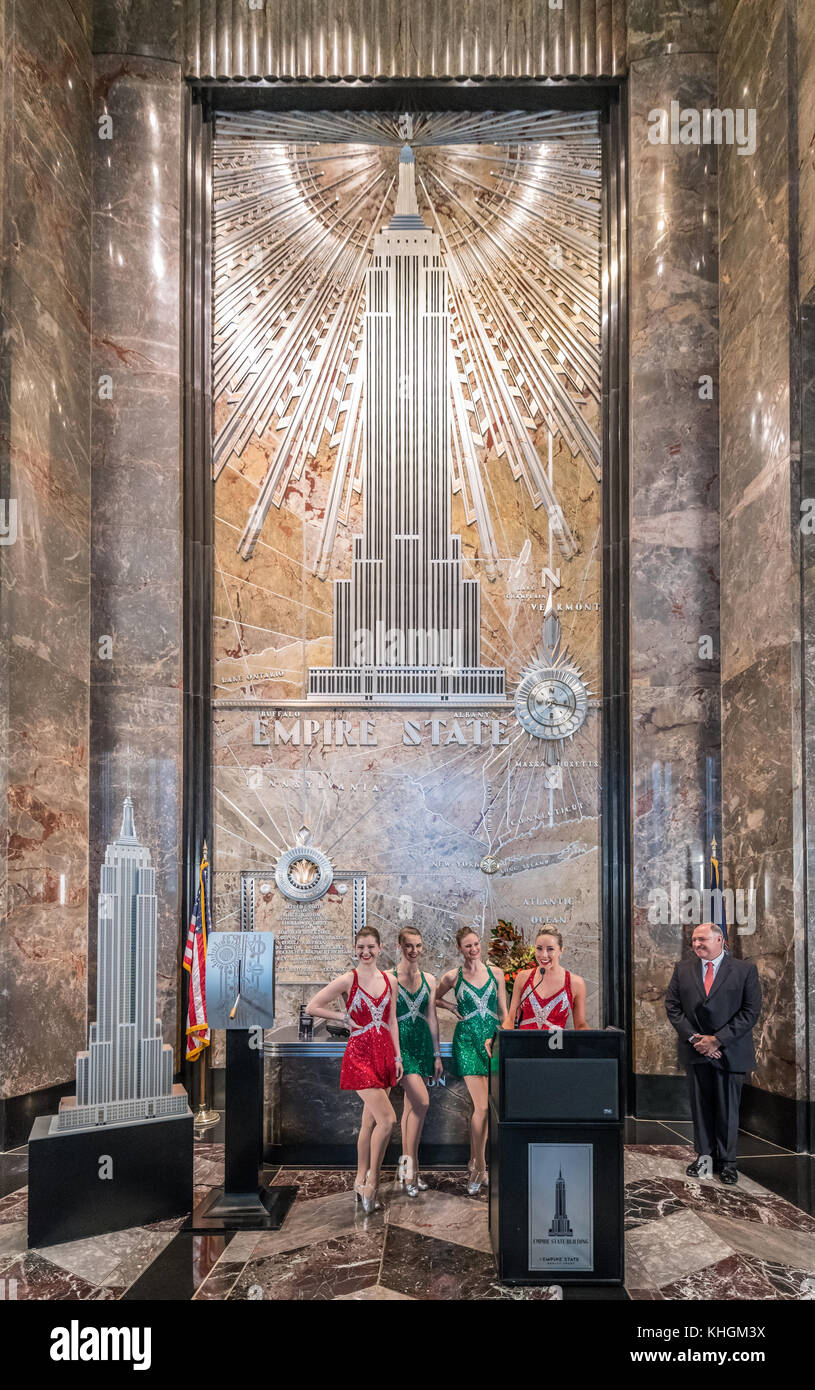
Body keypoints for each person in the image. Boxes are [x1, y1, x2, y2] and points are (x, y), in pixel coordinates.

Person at [306, 927, 403, 1213]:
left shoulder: (391, 980)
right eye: (361, 947)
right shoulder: (349, 978)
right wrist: (343, 1017)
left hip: (384, 1053)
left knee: (370, 1123)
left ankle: (359, 1178)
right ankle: (372, 1182)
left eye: (371, 947)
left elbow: (393, 1020)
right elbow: (313, 1006)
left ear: (380, 947)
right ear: (355, 948)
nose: (366, 952)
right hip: (360, 1054)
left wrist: (398, 1058)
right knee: (388, 1120)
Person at [665, 921, 761, 1185]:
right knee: (701, 1107)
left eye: (702, 940)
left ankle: (728, 1163)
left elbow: (750, 1012)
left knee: (728, 1109)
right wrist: (698, 1039)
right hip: (696, 1051)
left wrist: (717, 1040)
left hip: (730, 1052)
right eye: (694, 940)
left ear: (720, 941)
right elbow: (672, 1007)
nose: (696, 944)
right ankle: (704, 1156)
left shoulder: (745, 970)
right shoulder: (682, 969)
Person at [436, 926, 507, 1195]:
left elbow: (503, 1012)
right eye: (468, 946)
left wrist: (505, 1040)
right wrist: (452, 1007)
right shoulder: (453, 976)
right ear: (460, 949)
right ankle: (479, 1166)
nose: (474, 949)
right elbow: (433, 998)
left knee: (487, 1108)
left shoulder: (496, 973)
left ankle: (477, 1163)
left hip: (491, 1042)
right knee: (482, 1108)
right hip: (465, 1041)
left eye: (476, 944)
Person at [385, 927, 444, 1197]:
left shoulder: (430, 979)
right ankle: (411, 1169)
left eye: (418, 946)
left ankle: (408, 1168)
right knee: (422, 1102)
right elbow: (386, 1017)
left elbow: (432, 1016)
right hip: (400, 1048)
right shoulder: (389, 978)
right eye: (408, 946)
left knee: (412, 1109)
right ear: (399, 946)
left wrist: (436, 1054)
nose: (414, 951)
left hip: (421, 1047)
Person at [502, 928, 589, 1032]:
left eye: (550, 949)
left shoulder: (575, 983)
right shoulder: (523, 977)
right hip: (524, 1046)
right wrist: (496, 1041)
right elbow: (511, 1019)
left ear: (561, 950)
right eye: (539, 948)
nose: (543, 955)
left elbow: (580, 1025)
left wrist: (598, 1042)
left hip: (556, 1046)